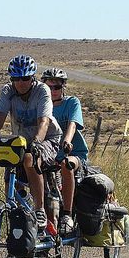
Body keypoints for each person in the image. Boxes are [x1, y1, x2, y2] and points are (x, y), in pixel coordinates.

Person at [0, 55, 62, 232]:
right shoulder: (7, 91)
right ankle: (19, 216)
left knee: (28, 159)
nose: (21, 82)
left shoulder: (42, 91)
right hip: (20, 141)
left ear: (32, 77)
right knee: (9, 169)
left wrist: (37, 143)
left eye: (25, 78)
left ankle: (39, 210)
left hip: (48, 138)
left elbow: (44, 122)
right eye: (16, 78)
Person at [41, 68, 89, 234]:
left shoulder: (72, 102)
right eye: (49, 88)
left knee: (66, 164)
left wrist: (67, 141)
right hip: (50, 154)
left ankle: (67, 215)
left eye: (57, 87)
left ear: (63, 88)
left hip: (74, 154)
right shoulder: (42, 105)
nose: (53, 91)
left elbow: (73, 124)